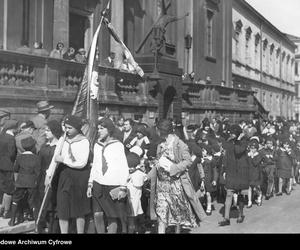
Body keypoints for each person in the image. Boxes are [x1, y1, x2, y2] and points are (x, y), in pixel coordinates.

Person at [149, 119, 203, 234]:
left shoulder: (179, 144)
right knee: (161, 215)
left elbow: (188, 161)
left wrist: (173, 168)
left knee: (177, 215)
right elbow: (158, 161)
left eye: (158, 129)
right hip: (161, 185)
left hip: (176, 184)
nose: (156, 132)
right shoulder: (160, 144)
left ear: (163, 130)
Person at [45, 115, 91, 233]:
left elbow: (81, 162)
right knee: (63, 207)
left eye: (70, 128)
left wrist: (64, 160)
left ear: (77, 128)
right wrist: (48, 175)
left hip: (79, 176)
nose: (67, 130)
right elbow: (55, 158)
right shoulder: (62, 139)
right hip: (64, 175)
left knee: (78, 208)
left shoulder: (84, 141)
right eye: (65, 127)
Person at [87, 118, 129, 234]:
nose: (99, 131)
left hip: (112, 184)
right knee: (97, 214)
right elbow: (95, 164)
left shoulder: (118, 145)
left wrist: (123, 187)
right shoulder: (97, 145)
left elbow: (123, 167)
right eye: (98, 128)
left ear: (109, 129)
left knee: (112, 216)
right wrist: (90, 183)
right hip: (98, 183)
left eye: (102, 128)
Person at [218, 124, 249, 226]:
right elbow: (226, 153)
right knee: (229, 193)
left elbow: (238, 151)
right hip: (231, 171)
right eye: (230, 133)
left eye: (232, 133)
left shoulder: (244, 141)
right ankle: (226, 218)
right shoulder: (230, 141)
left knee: (240, 194)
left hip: (241, 172)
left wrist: (238, 140)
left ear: (237, 133)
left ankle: (240, 215)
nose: (231, 134)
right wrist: (224, 170)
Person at [36, 120, 63, 233]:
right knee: (42, 204)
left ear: (55, 131)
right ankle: (41, 226)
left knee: (52, 205)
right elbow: (39, 164)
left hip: (54, 179)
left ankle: (53, 229)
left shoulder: (60, 147)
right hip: (43, 178)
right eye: (45, 130)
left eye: (48, 130)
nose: (46, 133)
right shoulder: (44, 146)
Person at [9, 137, 40, 226]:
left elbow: (15, 169)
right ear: (33, 147)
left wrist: (16, 181)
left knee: (15, 199)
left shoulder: (19, 157)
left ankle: (12, 220)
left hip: (21, 181)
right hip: (31, 182)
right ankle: (36, 224)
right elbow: (38, 172)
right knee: (33, 202)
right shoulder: (36, 158)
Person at [0, 120, 18, 219]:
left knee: (2, 187)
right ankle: (6, 211)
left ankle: (1, 208)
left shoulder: (1, 136)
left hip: (1, 165)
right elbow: (12, 154)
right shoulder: (11, 138)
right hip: (9, 166)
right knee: (10, 188)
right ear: (13, 128)